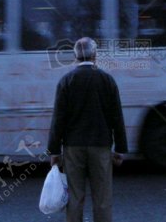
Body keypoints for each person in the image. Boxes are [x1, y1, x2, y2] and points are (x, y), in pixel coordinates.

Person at [47, 37, 128, 222]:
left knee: (74, 198)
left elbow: (58, 119)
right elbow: (116, 116)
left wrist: (54, 151)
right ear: (95, 56)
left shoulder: (66, 81)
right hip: (101, 146)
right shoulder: (107, 80)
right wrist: (120, 148)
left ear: (75, 57)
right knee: (102, 199)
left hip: (73, 147)